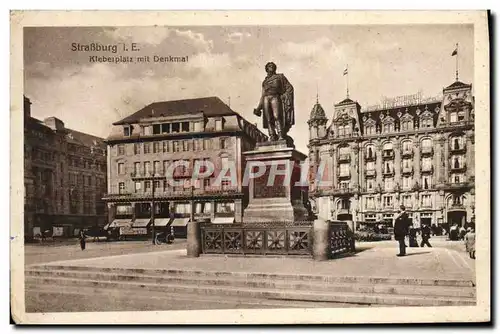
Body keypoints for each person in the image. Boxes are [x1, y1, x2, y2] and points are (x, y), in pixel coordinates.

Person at [254, 62, 295, 141]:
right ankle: (272, 135)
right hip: (266, 98)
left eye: (272, 66)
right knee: (268, 118)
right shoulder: (264, 82)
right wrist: (258, 108)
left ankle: (280, 135)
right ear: (266, 69)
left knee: (277, 116)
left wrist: (284, 96)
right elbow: (262, 95)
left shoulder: (280, 77)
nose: (271, 67)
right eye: (269, 66)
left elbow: (289, 88)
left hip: (275, 97)